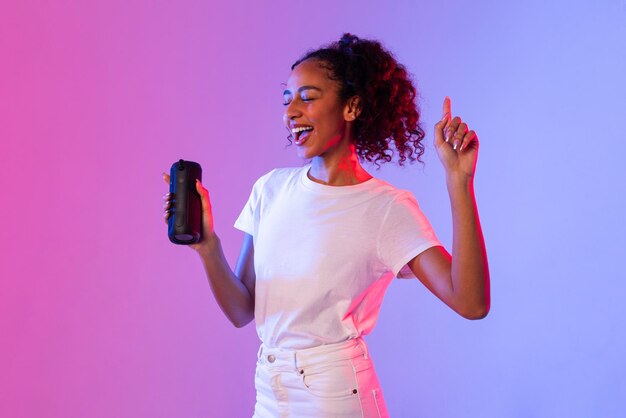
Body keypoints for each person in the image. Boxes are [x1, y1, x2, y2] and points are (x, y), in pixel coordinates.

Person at [161, 33, 490, 418]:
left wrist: (458, 181)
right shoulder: (269, 189)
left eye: (308, 97)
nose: (291, 112)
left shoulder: (385, 207)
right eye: (287, 100)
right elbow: (241, 311)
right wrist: (208, 246)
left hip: (334, 396)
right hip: (270, 390)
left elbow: (470, 302)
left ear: (351, 107)